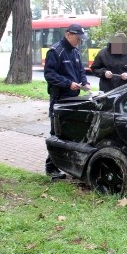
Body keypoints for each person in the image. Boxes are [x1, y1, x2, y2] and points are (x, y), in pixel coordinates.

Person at [43, 23, 91, 179]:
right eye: (77, 38)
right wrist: (67, 83)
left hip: (74, 98)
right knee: (57, 133)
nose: (79, 42)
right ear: (68, 34)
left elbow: (81, 71)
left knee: (70, 133)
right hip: (60, 98)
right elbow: (49, 75)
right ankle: (51, 168)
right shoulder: (56, 51)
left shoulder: (75, 51)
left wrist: (85, 83)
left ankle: (66, 165)